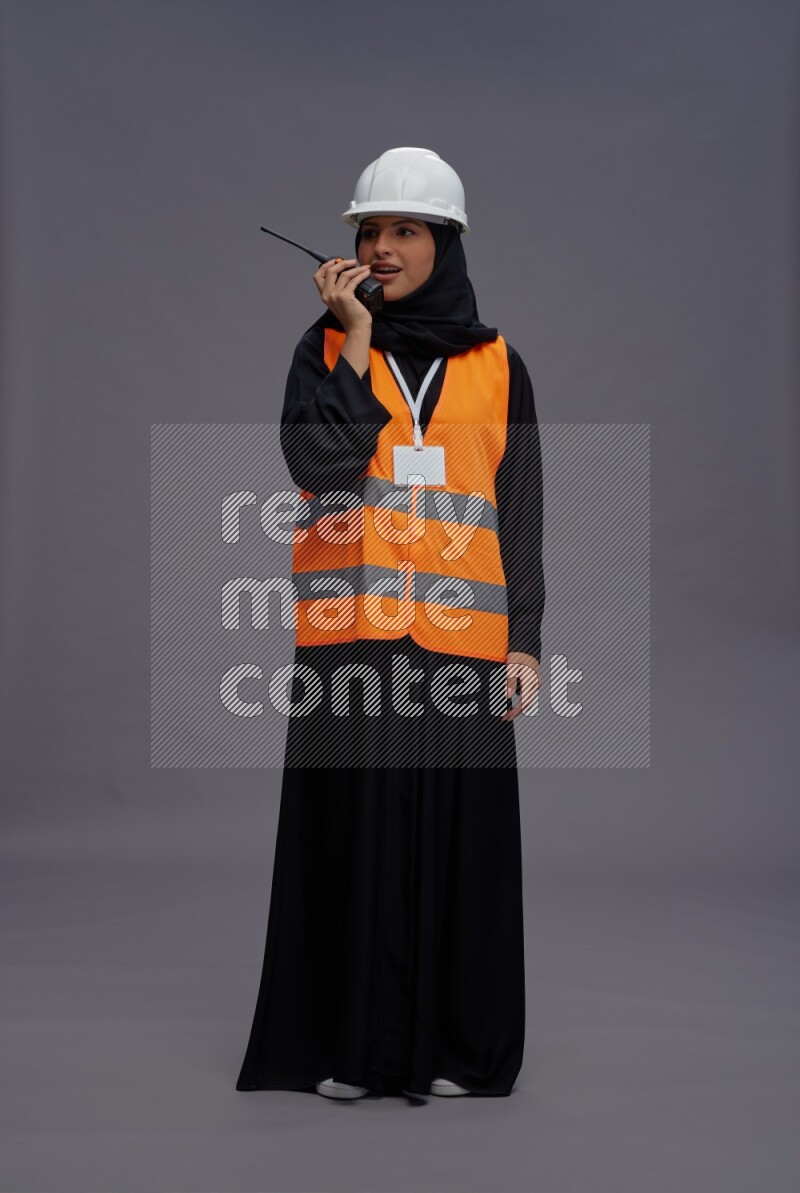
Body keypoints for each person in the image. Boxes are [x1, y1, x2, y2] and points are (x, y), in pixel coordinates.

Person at [235, 147, 545, 1101]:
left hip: (463, 641)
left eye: (404, 230)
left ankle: (461, 1051)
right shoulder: (323, 349)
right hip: (352, 640)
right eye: (369, 231)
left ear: (443, 243)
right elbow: (320, 469)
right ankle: (351, 1050)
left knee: (465, 850)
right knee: (351, 839)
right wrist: (356, 339)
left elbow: (520, 505)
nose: (381, 247)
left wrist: (525, 638)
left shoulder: (500, 365)